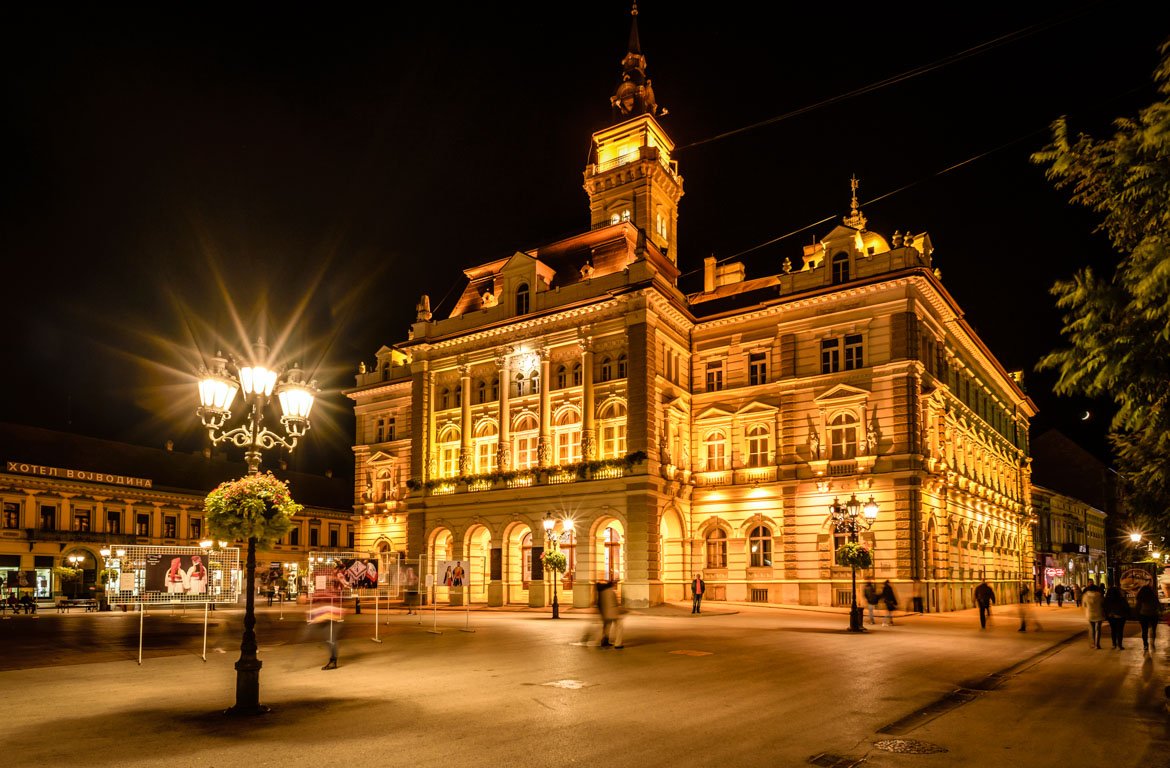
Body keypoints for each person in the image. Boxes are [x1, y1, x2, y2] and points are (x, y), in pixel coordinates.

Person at [597, 580, 625, 649]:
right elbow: (615, 603)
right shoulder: (611, 592)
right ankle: (618, 644)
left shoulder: (602, 592)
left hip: (605, 613)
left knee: (607, 627)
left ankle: (604, 641)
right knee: (619, 626)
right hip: (613, 612)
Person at [1134, 584, 1161, 651]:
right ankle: (1152, 642)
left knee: (1144, 631)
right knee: (1153, 630)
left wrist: (1137, 615)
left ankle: (1145, 644)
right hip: (1153, 615)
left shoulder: (1141, 597)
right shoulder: (1153, 597)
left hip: (1143, 615)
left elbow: (1137, 607)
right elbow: (1157, 606)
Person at [1083, 582, 1104, 649]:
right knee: (1098, 629)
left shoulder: (1085, 596)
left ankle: (1092, 643)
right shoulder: (1099, 595)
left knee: (1092, 630)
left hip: (1090, 614)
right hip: (1099, 613)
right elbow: (1102, 604)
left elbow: (1084, 605)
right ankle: (1097, 644)